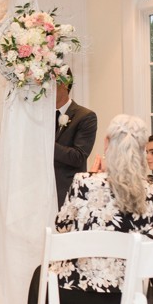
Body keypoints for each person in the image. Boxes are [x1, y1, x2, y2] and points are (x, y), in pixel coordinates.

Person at [25, 115, 153, 304]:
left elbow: (62, 225)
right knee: (70, 274)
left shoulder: (85, 182)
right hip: (125, 296)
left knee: (44, 275)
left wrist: (95, 177)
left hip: (76, 296)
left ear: (108, 144)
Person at [54, 70, 97, 207]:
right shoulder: (40, 118)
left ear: (64, 85)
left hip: (67, 193)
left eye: (50, 83)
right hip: (39, 193)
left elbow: (78, 156)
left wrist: (46, 142)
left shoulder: (85, 116)